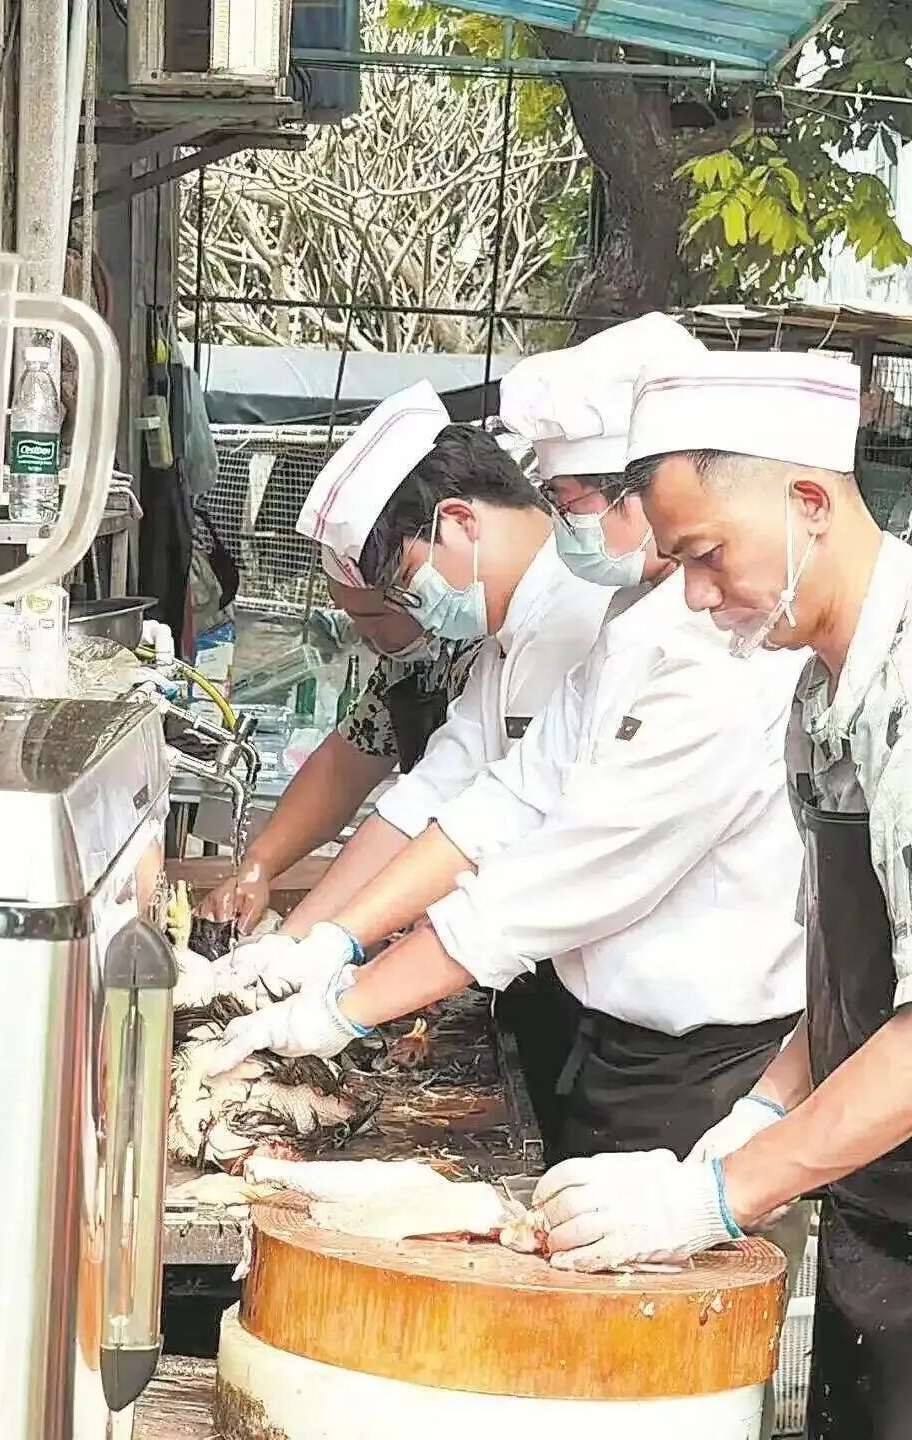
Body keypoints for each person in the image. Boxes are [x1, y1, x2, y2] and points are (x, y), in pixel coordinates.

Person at [208, 317, 808, 1177]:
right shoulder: (620, 624)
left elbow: (562, 872)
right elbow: (484, 799)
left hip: (698, 1056)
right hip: (605, 1022)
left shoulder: (693, 645)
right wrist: (324, 943)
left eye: (569, 503)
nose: (564, 527)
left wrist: (345, 1006)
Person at [531, 348, 912, 1439]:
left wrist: (717, 1195)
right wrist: (760, 1107)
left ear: (809, 503)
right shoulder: (817, 696)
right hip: (881, 1211)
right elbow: (862, 973)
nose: (701, 597)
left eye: (708, 556)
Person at [199, 577, 480, 933]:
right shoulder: (408, 661)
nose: (363, 635)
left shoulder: (486, 659)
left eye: (373, 617)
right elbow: (343, 767)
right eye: (352, 617)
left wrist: (311, 936)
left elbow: (442, 819)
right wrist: (259, 864)